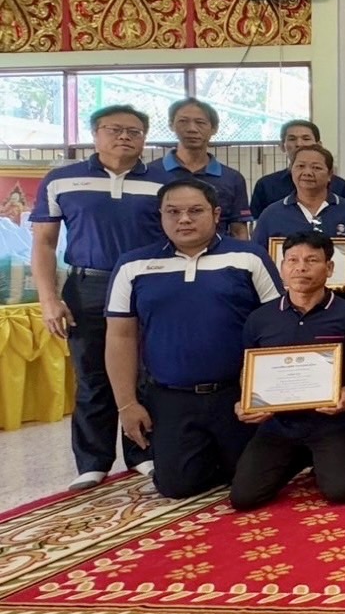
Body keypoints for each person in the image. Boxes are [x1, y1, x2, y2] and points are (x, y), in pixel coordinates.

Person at [105, 178, 282, 498]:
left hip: (237, 395)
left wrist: (266, 396)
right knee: (177, 487)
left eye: (195, 211)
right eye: (173, 212)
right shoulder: (132, 265)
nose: (184, 219)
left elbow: (277, 326)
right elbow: (120, 336)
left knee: (251, 485)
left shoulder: (250, 257)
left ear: (216, 214)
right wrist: (126, 404)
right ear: (160, 215)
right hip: (171, 397)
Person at [31, 104, 166, 491]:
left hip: (146, 285)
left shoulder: (162, 183)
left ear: (144, 138)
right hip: (87, 285)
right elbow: (44, 244)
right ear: (95, 134)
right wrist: (48, 299)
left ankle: (142, 453)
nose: (124, 137)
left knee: (146, 372)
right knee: (91, 374)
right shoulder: (61, 180)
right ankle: (93, 461)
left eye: (134, 131)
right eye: (114, 129)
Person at [230, 232, 345, 509]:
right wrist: (245, 402)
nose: (300, 268)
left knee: (342, 491)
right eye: (292, 260)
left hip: (333, 423)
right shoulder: (260, 319)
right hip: (278, 425)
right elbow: (248, 368)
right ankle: (301, 457)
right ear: (281, 267)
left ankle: (322, 457)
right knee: (243, 498)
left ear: (329, 267)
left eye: (311, 260)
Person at [151, 97, 251, 238]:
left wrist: (243, 252)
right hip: (162, 251)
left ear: (214, 129)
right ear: (171, 125)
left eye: (200, 122)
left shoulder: (232, 178)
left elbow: (239, 229)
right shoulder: (150, 173)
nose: (192, 129)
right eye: (183, 121)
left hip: (218, 251)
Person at [252, 144, 345, 248]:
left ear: (330, 174)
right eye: (300, 166)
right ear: (291, 170)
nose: (307, 173)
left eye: (316, 167)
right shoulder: (271, 214)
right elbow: (257, 256)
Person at [249, 120, 345, 218]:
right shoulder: (266, 185)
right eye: (292, 139)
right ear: (282, 146)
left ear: (319, 145)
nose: (299, 144)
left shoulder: (340, 185)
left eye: (306, 139)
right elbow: (257, 223)